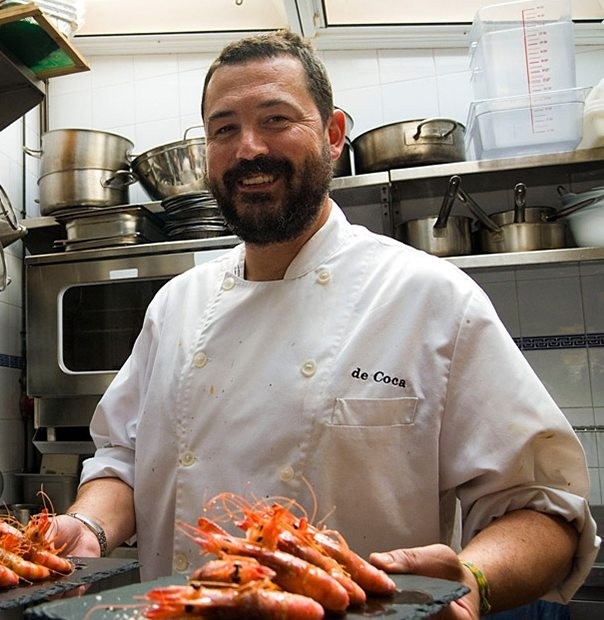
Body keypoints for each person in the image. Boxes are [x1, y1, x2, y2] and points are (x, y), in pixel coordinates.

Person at [48, 30, 599, 618]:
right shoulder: (174, 307)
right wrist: (90, 526)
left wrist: (472, 580)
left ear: (333, 135)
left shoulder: (430, 298)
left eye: (276, 119)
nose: (248, 149)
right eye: (224, 129)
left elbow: (543, 511)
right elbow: (123, 462)